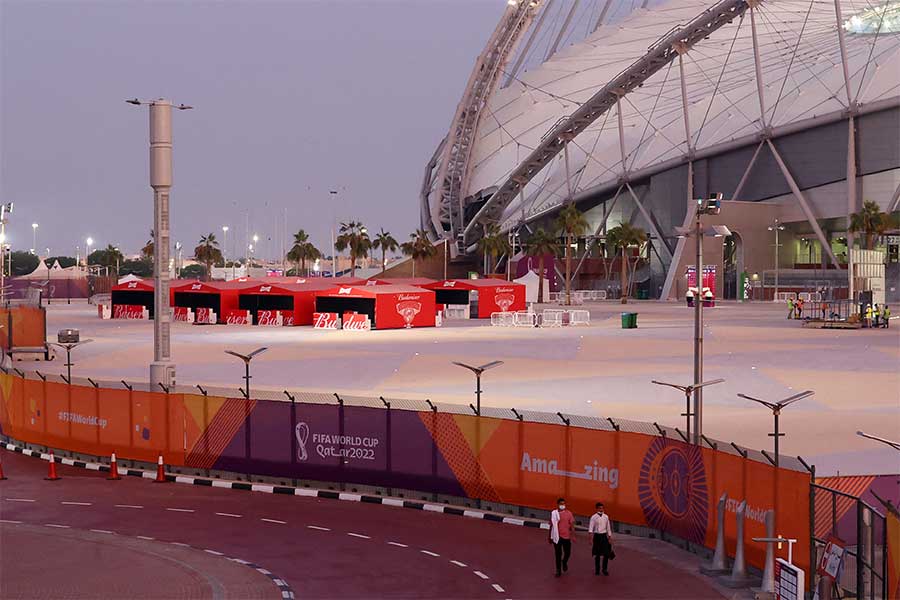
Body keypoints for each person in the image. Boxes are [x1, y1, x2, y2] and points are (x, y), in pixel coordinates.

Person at [549, 497, 575, 577]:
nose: (562, 505)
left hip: (566, 537)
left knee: (567, 553)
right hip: (557, 537)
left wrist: (573, 535)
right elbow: (551, 526)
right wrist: (550, 536)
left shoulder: (569, 513)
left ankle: (564, 562)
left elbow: (572, 525)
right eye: (561, 504)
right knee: (558, 554)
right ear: (558, 504)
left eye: (563, 504)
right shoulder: (554, 514)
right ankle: (558, 570)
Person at [589, 502, 614, 576]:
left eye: (602, 508)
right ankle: (597, 569)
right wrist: (590, 539)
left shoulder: (606, 517)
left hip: (604, 536)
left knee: (606, 554)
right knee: (597, 554)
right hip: (597, 536)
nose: (601, 509)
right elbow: (591, 529)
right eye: (600, 508)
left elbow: (608, 528)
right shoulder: (593, 517)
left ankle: (604, 569)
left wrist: (609, 537)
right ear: (597, 508)